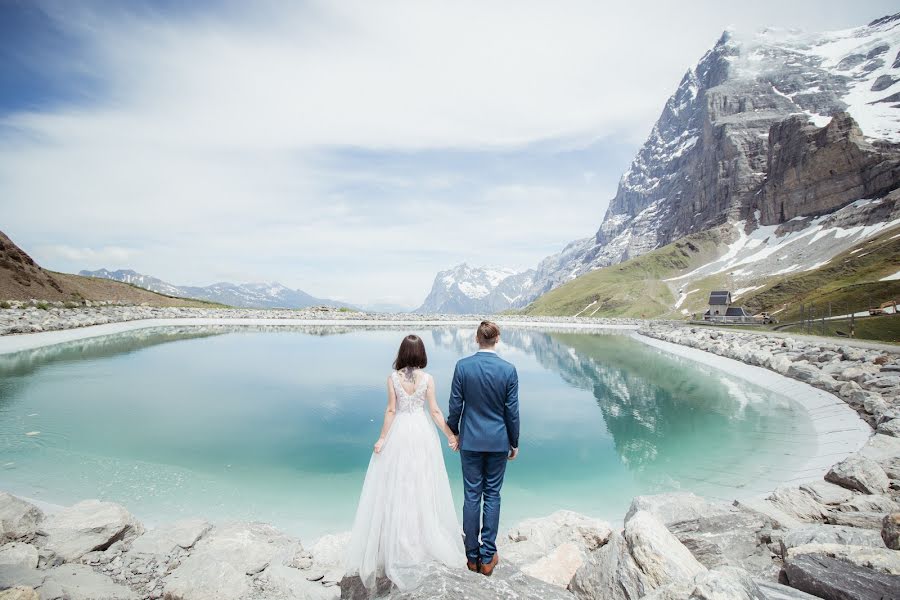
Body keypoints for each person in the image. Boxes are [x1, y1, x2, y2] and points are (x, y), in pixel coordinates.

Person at [345, 334, 464, 592]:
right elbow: (434, 411)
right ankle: (421, 540)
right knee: (422, 483)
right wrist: (450, 435)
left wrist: (382, 439)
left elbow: (390, 410)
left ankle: (398, 543)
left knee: (398, 486)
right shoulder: (428, 379)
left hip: (400, 432)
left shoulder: (393, 379)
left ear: (401, 353)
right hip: (422, 433)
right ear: (421, 354)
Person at [447, 320, 520, 576]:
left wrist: (454, 432)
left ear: (477, 339)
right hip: (499, 441)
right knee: (493, 495)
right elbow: (512, 411)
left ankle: (471, 556)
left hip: (471, 441)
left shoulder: (463, 366)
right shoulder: (508, 370)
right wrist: (514, 441)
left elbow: (455, 405)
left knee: (471, 495)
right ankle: (488, 557)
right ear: (496, 339)